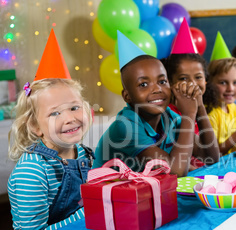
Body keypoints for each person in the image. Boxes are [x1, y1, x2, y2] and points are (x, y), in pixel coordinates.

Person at [93, 31, 219, 175]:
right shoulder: (126, 126)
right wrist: (189, 114)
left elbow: (211, 158)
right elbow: (175, 171)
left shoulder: (169, 118)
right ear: (127, 96)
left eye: (162, 81)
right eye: (143, 84)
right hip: (108, 193)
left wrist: (200, 107)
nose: (157, 89)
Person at [7, 78, 94, 230]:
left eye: (74, 107)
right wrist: (88, 211)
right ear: (35, 126)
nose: (70, 118)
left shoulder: (83, 153)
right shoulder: (32, 172)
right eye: (55, 113)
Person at [162, 53, 219, 169]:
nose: (192, 83)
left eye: (198, 77)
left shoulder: (199, 109)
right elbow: (176, 165)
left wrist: (200, 107)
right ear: (171, 83)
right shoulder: (169, 115)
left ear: (206, 81)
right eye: (183, 78)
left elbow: (212, 157)